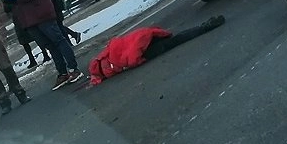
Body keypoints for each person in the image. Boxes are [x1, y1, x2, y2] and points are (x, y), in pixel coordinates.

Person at [5, 0, 85, 90]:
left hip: (43, 15)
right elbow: (9, 3)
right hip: (29, 21)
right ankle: (62, 73)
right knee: (50, 46)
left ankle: (74, 69)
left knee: (59, 41)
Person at [88, 16, 225, 86]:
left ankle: (204, 27)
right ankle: (203, 26)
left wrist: (141, 59)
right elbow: (122, 43)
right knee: (171, 37)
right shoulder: (105, 55)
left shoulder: (108, 70)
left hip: (144, 51)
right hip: (141, 37)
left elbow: (130, 59)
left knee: (176, 41)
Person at [3, 0, 51, 67]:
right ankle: (32, 58)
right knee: (24, 41)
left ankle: (45, 54)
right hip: (18, 21)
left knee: (36, 37)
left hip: (26, 17)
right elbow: (6, 9)